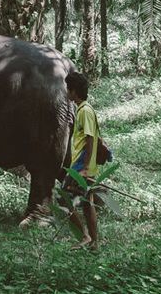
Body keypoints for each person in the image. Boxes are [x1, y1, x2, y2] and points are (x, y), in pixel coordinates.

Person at [63, 72, 100, 250]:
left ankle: (84, 237)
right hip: (85, 166)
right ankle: (94, 242)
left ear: (74, 91)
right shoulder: (84, 109)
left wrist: (84, 168)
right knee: (87, 203)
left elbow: (90, 139)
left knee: (64, 200)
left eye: (68, 88)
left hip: (81, 166)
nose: (66, 92)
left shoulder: (85, 111)